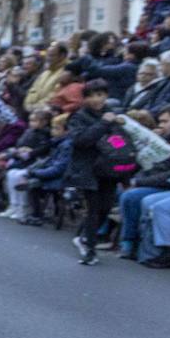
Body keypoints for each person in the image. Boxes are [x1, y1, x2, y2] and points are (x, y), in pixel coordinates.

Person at [66, 79, 129, 265]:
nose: (96, 100)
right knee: (93, 209)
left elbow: (120, 144)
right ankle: (90, 249)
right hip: (88, 169)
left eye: (100, 95)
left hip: (109, 169)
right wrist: (103, 124)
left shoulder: (113, 115)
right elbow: (81, 140)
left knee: (105, 208)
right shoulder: (79, 117)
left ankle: (84, 235)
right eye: (92, 95)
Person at [119, 103, 170, 263]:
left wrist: (140, 181)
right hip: (169, 182)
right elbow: (156, 164)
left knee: (140, 199)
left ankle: (166, 252)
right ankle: (137, 244)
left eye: (165, 121)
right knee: (127, 193)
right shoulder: (167, 139)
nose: (161, 125)